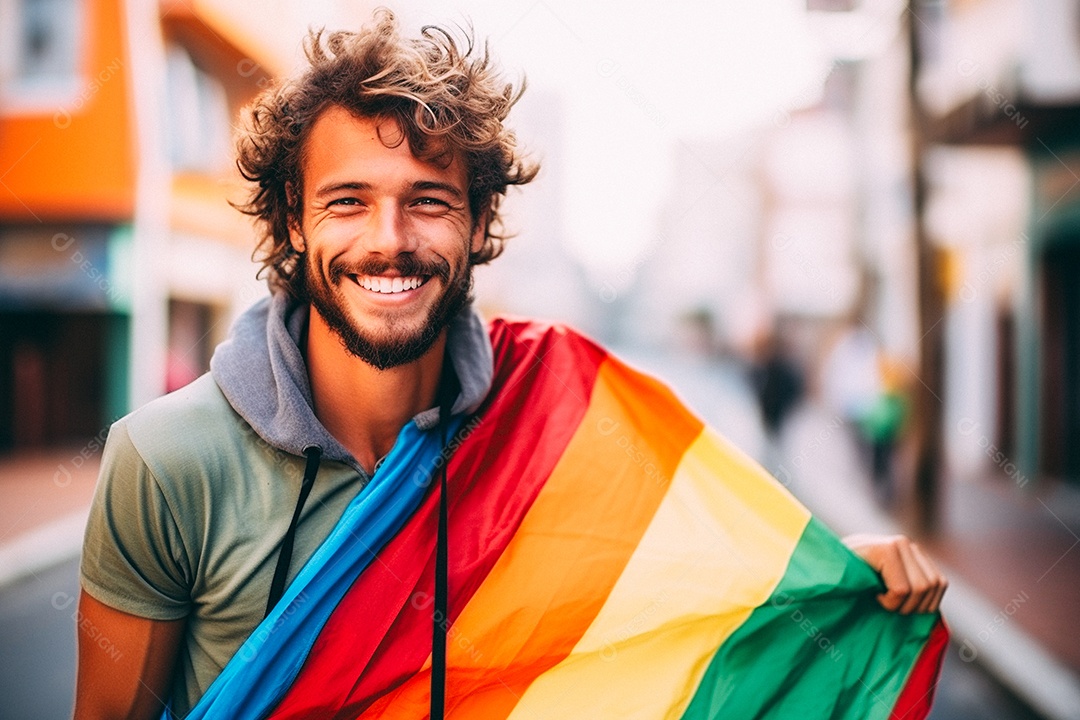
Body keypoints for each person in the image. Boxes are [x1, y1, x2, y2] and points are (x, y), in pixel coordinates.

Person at [74, 11, 947, 719]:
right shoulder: (166, 462)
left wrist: (826, 577)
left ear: (479, 221)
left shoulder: (553, 426)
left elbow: (663, 607)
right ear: (295, 223)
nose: (390, 240)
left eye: (429, 201)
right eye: (347, 202)